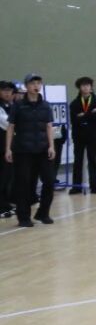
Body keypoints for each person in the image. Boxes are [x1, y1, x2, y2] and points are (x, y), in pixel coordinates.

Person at [5, 74, 57, 227]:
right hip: (23, 151)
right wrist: (8, 148)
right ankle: (23, 217)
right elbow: (11, 127)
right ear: (26, 86)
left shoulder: (46, 105)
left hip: (43, 150)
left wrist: (51, 146)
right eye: (33, 83)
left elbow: (49, 126)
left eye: (38, 83)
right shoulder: (18, 105)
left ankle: (43, 213)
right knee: (24, 184)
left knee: (49, 181)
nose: (36, 85)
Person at [68, 76, 96, 194]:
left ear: (91, 87)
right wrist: (90, 113)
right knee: (78, 161)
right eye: (83, 85)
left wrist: (83, 115)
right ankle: (76, 186)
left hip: (92, 135)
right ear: (79, 88)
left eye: (88, 85)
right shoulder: (74, 103)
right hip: (78, 135)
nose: (86, 87)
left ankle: (94, 186)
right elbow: (74, 120)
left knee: (92, 161)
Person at [0, 81, 14, 217]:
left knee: (7, 177)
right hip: (1, 146)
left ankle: (5, 204)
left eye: (9, 90)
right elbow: (6, 123)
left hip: (8, 147)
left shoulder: (10, 105)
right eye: (4, 90)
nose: (7, 93)